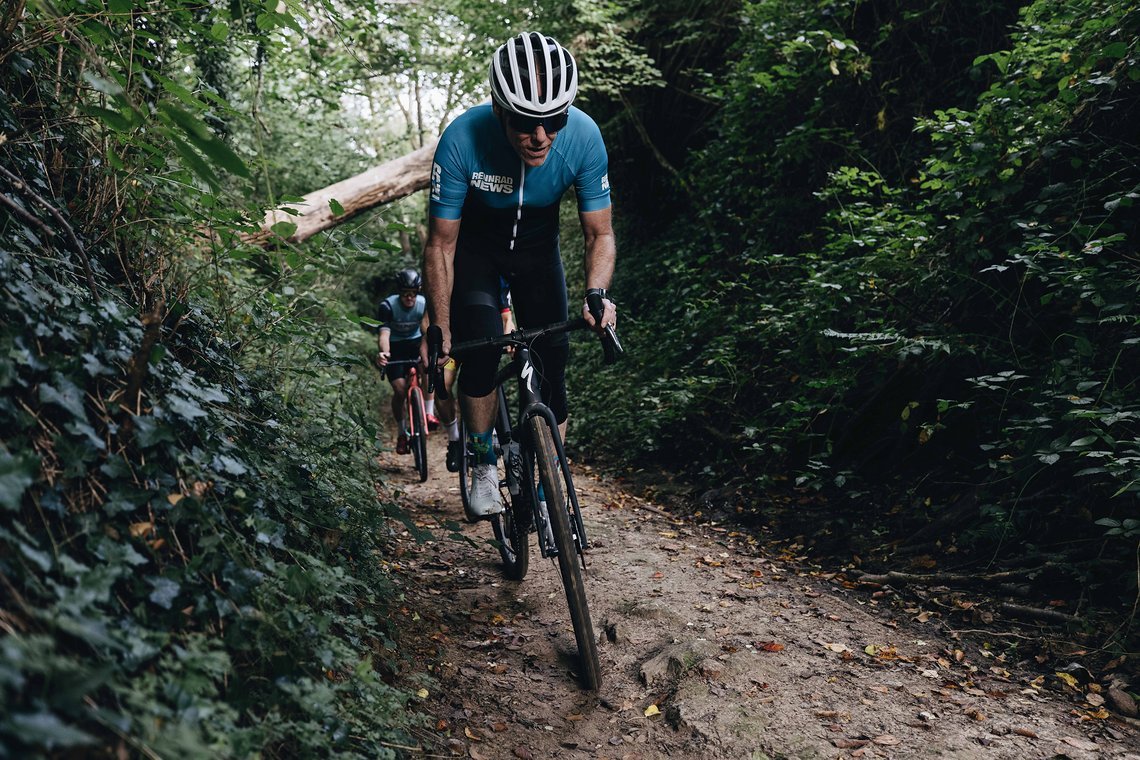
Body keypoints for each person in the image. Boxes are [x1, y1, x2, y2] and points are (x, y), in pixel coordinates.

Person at [423, 31, 618, 521]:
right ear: (498, 109)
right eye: (526, 124)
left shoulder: (585, 137)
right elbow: (441, 245)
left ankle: (552, 474)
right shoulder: (462, 138)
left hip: (537, 254)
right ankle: (484, 463)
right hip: (478, 256)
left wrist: (597, 293)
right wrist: (441, 327)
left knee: (555, 362)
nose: (541, 137)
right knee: (483, 350)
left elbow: (600, 235)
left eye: (554, 121)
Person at [438, 280, 515, 473]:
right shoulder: (446, 276)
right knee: (444, 384)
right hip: (453, 349)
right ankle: (454, 438)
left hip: (484, 338)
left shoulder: (498, 279)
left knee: (487, 375)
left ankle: (492, 432)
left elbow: (506, 317)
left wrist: (509, 335)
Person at [375, 268, 435, 454]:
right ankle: (402, 433)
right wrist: (385, 353)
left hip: (416, 344)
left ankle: (429, 412)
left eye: (413, 294)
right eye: (405, 294)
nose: (409, 298)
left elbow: (428, 330)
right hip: (396, 348)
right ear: (399, 292)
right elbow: (384, 335)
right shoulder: (387, 306)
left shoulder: (424, 304)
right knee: (400, 391)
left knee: (427, 368)